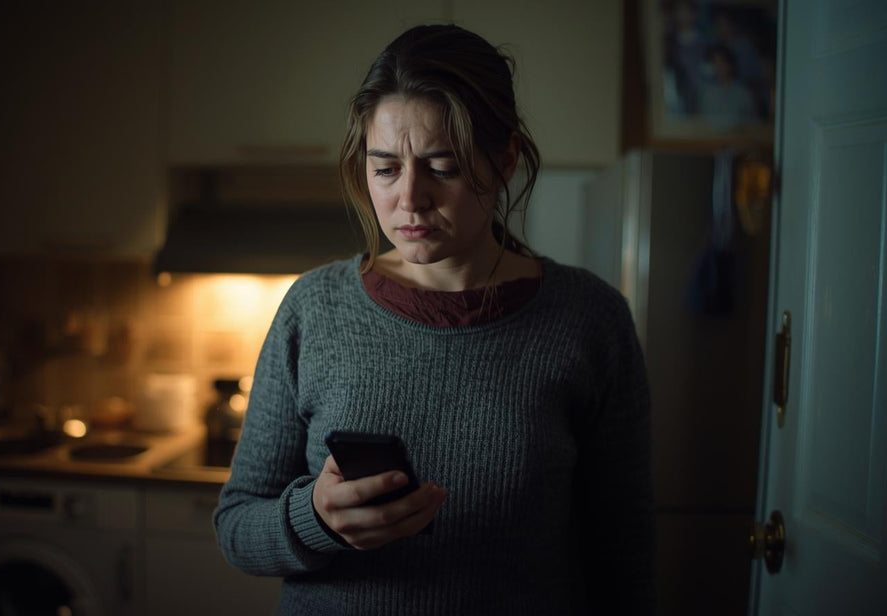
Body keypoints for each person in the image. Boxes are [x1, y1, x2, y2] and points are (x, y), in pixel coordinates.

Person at [214, 24, 654, 615]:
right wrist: (314, 519)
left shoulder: (588, 320)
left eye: (442, 167)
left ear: (505, 161)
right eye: (386, 168)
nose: (410, 199)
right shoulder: (314, 309)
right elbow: (238, 526)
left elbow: (623, 556)